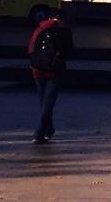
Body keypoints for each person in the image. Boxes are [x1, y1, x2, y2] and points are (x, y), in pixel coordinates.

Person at [28, 8, 73, 143]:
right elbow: (69, 52)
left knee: (44, 102)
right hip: (55, 71)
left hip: (37, 70)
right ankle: (39, 133)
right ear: (62, 19)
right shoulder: (65, 31)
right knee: (48, 103)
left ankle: (48, 129)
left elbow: (31, 49)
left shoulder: (40, 28)